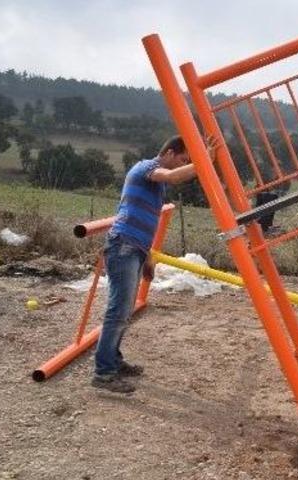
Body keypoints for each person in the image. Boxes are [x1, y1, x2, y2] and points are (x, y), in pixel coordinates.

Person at [92, 135, 217, 393]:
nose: (182, 164)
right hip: (123, 246)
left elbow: (145, 220)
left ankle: (113, 360)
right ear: (169, 153)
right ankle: (103, 374)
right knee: (117, 311)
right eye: (182, 159)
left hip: (134, 248)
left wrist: (147, 255)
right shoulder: (146, 167)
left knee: (124, 310)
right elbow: (173, 177)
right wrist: (204, 161)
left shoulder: (156, 187)